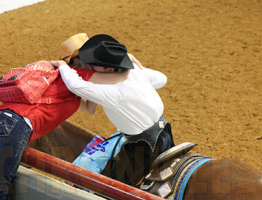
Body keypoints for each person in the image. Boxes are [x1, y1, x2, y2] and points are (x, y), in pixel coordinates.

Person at [0, 33, 127, 200]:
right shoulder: (79, 74)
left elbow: (89, 108)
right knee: (0, 185)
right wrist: (127, 60)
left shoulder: (64, 78)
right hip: (17, 124)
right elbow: (121, 75)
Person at [52, 34, 175, 186]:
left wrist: (63, 68)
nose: (89, 66)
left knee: (110, 189)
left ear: (108, 68)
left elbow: (75, 86)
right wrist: (136, 68)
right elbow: (162, 79)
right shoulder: (133, 71)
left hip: (142, 149)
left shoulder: (112, 92)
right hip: (164, 133)